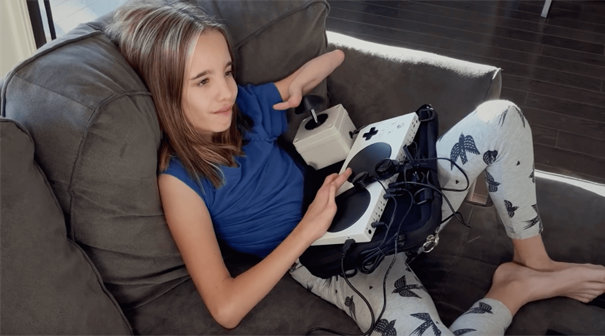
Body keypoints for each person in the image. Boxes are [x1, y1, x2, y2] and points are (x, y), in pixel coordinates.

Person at [105, 1, 605, 334]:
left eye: (228, 72)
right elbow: (226, 308)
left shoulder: (240, 109)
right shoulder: (180, 184)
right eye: (203, 81)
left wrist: (305, 80)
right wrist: (308, 229)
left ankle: (534, 262)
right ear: (166, 93)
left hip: (362, 201)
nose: (226, 91)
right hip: (328, 262)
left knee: (501, 118)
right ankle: (513, 292)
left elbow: (313, 71)